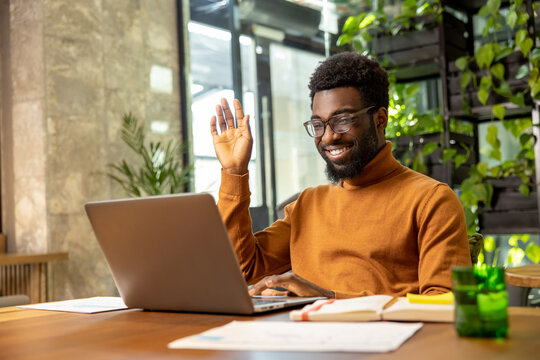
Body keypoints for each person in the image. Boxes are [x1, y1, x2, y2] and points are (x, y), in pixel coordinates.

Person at [210, 52, 471, 299]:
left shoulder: (431, 200)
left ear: (380, 119)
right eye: (318, 125)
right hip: (303, 342)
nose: (328, 136)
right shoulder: (307, 205)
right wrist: (234, 172)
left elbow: (444, 304)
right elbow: (242, 269)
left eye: (342, 120)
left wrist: (330, 299)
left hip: (389, 345)